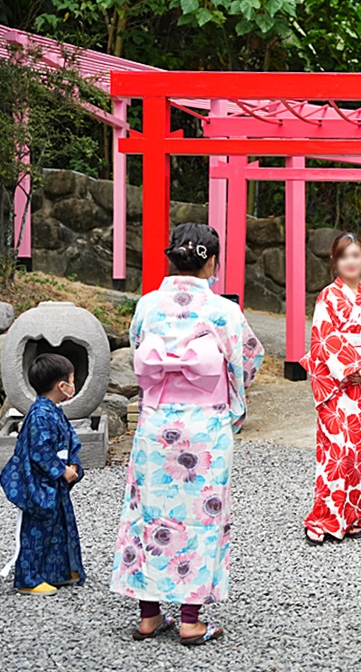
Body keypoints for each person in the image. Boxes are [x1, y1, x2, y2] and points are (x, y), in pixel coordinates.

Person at [110, 223, 264, 645]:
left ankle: (148, 614)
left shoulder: (147, 306)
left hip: (156, 423)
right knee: (199, 517)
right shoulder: (223, 312)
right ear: (212, 261)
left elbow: (138, 346)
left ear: (172, 258)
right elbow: (248, 362)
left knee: (149, 512)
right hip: (204, 429)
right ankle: (192, 619)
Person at [301, 233, 361, 545]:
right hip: (338, 384)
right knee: (337, 452)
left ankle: (351, 515)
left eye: (356, 255)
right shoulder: (327, 298)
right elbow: (323, 338)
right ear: (336, 262)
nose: (351, 261)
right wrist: (354, 367)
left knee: (360, 453)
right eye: (345, 256)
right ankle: (323, 518)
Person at [0, 354, 85, 597]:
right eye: (71, 380)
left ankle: (57, 571)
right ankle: (27, 578)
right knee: (37, 530)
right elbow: (39, 450)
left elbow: (70, 440)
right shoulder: (40, 414)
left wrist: (73, 463)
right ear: (61, 386)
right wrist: (62, 469)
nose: (73, 384)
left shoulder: (52, 410)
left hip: (53, 480)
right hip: (40, 483)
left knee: (59, 526)